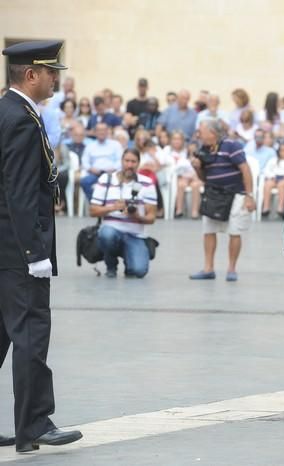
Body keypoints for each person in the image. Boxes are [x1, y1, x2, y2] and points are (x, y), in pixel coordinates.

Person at [0, 39, 83, 453]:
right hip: (18, 251)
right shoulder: (19, 118)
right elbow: (19, 192)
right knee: (31, 332)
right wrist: (35, 253)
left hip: (5, 247)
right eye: (52, 72)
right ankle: (33, 424)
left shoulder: (8, 111)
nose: (56, 79)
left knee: (1, 336)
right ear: (31, 75)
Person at [189, 119, 256, 281]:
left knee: (234, 231)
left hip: (236, 194)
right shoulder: (204, 150)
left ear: (212, 133)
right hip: (213, 194)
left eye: (202, 132)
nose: (199, 135)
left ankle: (231, 269)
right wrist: (197, 168)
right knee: (209, 230)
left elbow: (245, 170)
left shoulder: (231, 146)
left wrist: (249, 195)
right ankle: (208, 268)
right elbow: (205, 177)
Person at [89, 149, 157, 278]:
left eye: (133, 162)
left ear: (138, 163)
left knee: (139, 271)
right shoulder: (106, 179)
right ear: (121, 161)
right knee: (107, 234)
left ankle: (129, 259)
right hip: (111, 230)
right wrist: (113, 207)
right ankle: (111, 264)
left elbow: (152, 218)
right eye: (127, 161)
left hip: (135, 234)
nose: (130, 165)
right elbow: (92, 211)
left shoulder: (147, 183)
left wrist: (137, 216)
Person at [80, 121, 122, 199]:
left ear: (107, 131)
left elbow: (120, 160)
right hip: (95, 174)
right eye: (99, 130)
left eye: (103, 130)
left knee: (119, 184)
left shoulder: (115, 145)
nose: (101, 132)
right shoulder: (90, 146)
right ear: (95, 132)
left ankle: (108, 205)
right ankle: (94, 203)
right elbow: (84, 161)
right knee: (84, 182)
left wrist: (113, 169)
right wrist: (90, 168)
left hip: (112, 174)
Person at [261, 140, 284, 217]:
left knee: (281, 185)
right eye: (282, 151)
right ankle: (266, 207)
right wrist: (272, 176)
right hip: (274, 178)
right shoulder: (273, 160)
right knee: (267, 184)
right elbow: (266, 170)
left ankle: (280, 207)